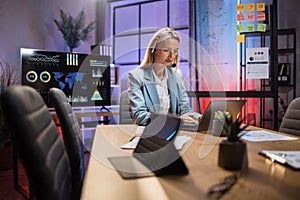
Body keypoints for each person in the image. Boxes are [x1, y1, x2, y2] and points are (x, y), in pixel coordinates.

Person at [128, 27, 201, 126]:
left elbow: (184, 109)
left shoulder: (176, 75)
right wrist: (178, 120)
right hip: (150, 133)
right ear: (154, 50)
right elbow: (140, 116)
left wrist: (200, 118)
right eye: (166, 50)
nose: (171, 56)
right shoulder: (137, 76)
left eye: (175, 51)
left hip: (173, 132)